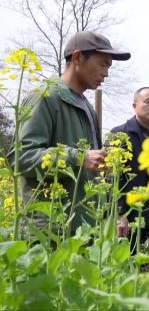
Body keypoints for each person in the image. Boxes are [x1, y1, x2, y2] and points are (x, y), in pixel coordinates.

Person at [9, 30, 130, 234]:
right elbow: (20, 158)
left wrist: (113, 215)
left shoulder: (87, 108)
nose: (106, 74)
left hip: (82, 232)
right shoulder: (45, 97)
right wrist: (78, 157)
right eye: (103, 64)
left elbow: (94, 171)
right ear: (77, 57)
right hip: (49, 233)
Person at [111, 87, 149, 244]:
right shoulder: (120, 134)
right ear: (134, 105)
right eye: (148, 102)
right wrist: (119, 214)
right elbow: (110, 179)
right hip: (132, 216)